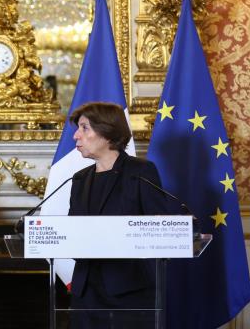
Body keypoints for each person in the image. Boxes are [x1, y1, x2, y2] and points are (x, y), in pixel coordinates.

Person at [67, 102, 177, 329]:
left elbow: (160, 228)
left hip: (128, 291)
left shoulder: (141, 171)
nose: (76, 135)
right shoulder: (80, 179)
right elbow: (72, 232)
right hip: (85, 293)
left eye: (84, 128)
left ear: (107, 131)